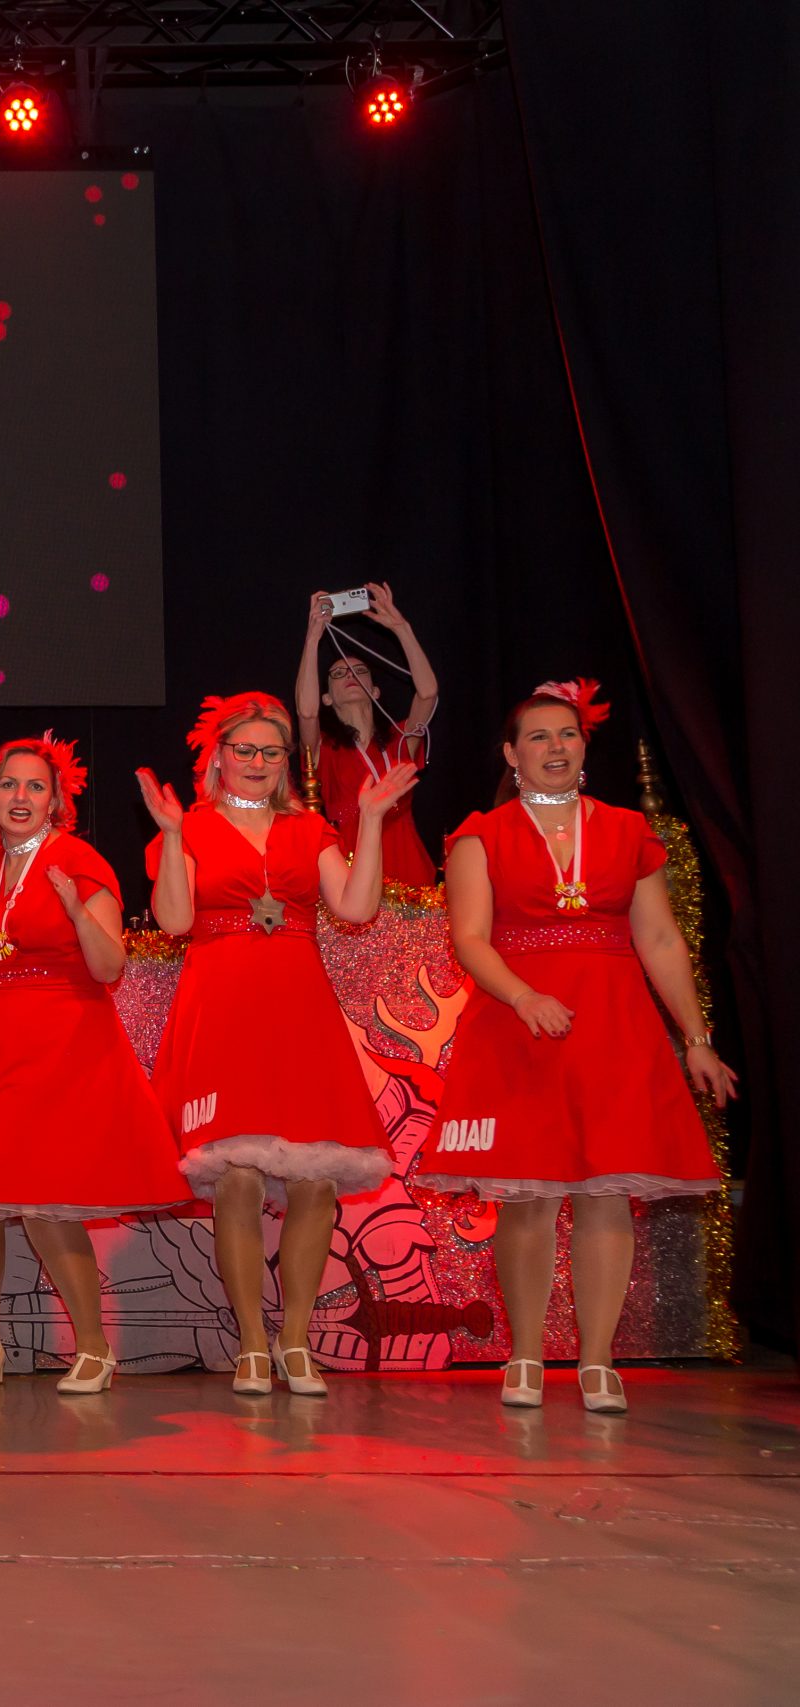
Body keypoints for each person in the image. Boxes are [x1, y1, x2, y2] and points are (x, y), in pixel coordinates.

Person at [422, 679, 732, 1414]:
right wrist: (523, 995)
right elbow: (470, 938)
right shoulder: (482, 834)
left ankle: (598, 1361)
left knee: (606, 1195)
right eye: (538, 736)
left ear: (584, 748)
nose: (555, 747)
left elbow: (660, 939)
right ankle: (525, 1356)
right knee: (528, 1198)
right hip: (519, 1024)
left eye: (567, 734)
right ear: (512, 753)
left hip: (613, 1025)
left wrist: (696, 1038)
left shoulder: (627, 830)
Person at [138, 692, 417, 1395]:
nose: (258, 762)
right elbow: (174, 920)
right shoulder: (190, 826)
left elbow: (356, 906)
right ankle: (252, 1346)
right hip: (223, 1005)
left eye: (271, 751)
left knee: (316, 1180)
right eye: (246, 749)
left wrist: (372, 819)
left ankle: (295, 1342)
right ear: (218, 757)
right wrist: (170, 835)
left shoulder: (308, 827)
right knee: (234, 1177)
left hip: (298, 1007)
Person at [0, 735, 188, 1394]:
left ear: (55, 800)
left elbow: (110, 965)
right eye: (10, 785)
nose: (21, 796)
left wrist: (75, 911)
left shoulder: (78, 860)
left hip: (65, 1037)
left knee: (47, 1203)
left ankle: (93, 1349)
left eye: (35, 786)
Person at [298, 583, 441, 885]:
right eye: (338, 674)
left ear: (375, 691)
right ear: (327, 698)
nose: (350, 675)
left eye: (359, 670)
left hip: (408, 866)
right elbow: (306, 713)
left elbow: (428, 694)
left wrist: (401, 628)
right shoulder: (324, 747)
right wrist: (312, 638)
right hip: (351, 869)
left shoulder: (400, 739)